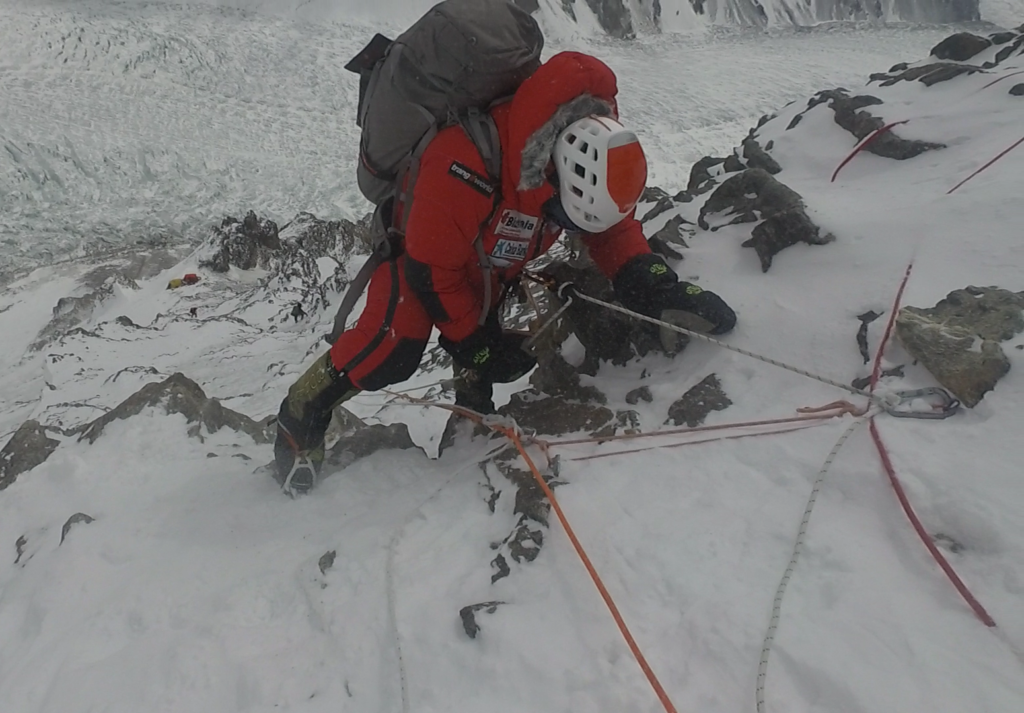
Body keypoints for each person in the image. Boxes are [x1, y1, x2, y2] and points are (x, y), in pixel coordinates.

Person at [272, 51, 737, 495]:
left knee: (481, 325)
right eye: (565, 217)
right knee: (392, 347)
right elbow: (434, 270)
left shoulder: (593, 154)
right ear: (554, 174)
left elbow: (609, 228)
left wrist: (650, 280)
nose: (567, 229)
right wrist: (473, 345)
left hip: (489, 254)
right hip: (419, 252)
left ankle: (472, 421)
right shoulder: (463, 164)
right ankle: (301, 415)